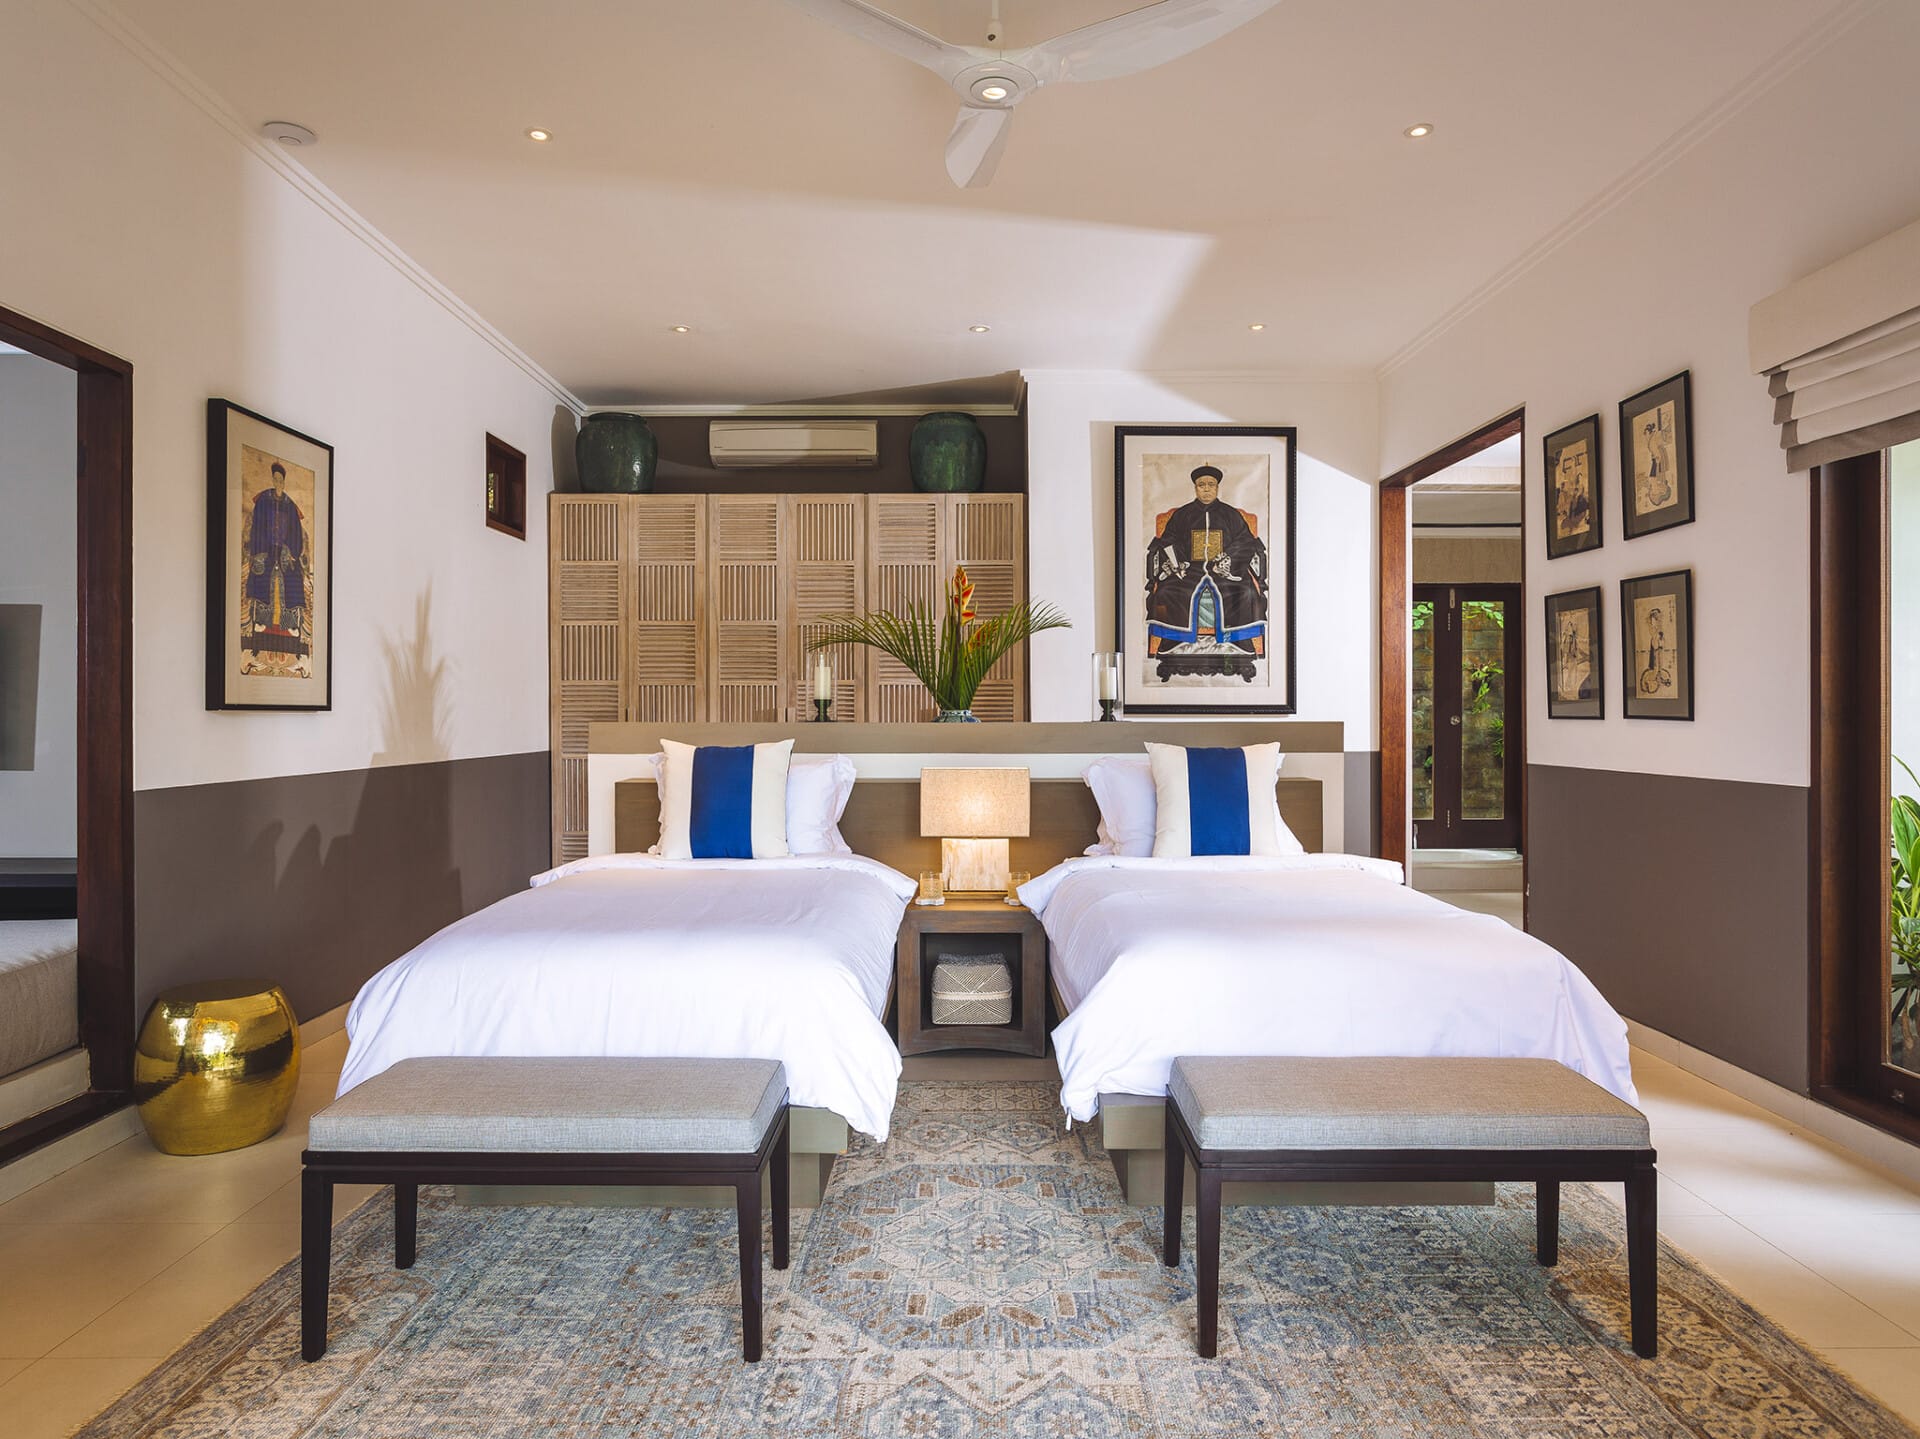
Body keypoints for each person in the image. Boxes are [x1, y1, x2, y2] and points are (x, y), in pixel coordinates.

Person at [1144, 464, 1267, 661]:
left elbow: (1245, 540)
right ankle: (1174, 639)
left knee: (1246, 592)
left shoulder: (1231, 514)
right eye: (1202, 485)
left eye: (1211, 484)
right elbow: (1168, 540)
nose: (1207, 489)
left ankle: (1238, 640)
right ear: (1195, 488)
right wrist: (1179, 563)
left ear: (1217, 488)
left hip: (1225, 570)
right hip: (1189, 569)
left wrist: (1228, 559)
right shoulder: (1182, 514)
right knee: (1167, 591)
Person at [245, 459, 308, 655]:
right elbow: (257, 527)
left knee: (293, 577)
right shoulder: (263, 500)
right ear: (273, 480)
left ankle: (291, 623)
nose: (278, 483)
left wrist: (290, 551)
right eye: (275, 479)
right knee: (261, 574)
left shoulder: (290, 505)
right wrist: (260, 551)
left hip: (285, 550)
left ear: (284, 482)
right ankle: (261, 621)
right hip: (266, 548)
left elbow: (296, 532)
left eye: (281, 480)